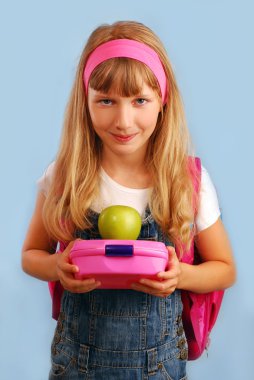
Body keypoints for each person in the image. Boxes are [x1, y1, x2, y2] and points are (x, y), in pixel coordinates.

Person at [22, 20, 236, 379]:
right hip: (77, 366)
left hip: (159, 369)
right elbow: (31, 256)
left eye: (140, 100)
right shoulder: (65, 176)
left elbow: (225, 269)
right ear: (85, 102)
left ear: (162, 101)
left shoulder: (186, 182)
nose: (124, 121)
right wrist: (56, 267)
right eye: (106, 100)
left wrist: (180, 275)